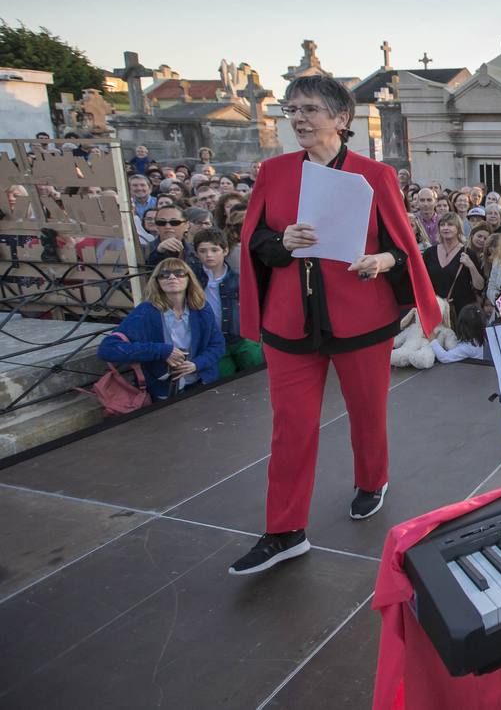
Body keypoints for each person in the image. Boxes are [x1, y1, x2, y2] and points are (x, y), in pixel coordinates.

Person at [229, 75, 440, 576]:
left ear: (341, 119)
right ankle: (284, 531)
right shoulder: (274, 172)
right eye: (292, 109)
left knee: (367, 413)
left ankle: (372, 481)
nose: (299, 118)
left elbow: (401, 247)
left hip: (360, 318)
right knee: (291, 427)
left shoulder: (375, 175)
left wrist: (381, 262)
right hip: (290, 322)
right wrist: (283, 241)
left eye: (310, 109)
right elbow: (255, 240)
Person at [98, 257, 226, 401]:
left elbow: (218, 345)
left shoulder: (201, 308)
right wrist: (161, 351)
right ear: (157, 282)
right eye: (164, 275)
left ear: (189, 278)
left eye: (179, 273)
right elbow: (107, 349)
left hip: (201, 383)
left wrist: (197, 364)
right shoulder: (146, 312)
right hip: (164, 391)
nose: (172, 277)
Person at [193, 228, 264, 375]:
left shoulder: (239, 278)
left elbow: (255, 306)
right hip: (213, 341)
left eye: (214, 250)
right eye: (203, 251)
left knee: (256, 375)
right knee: (223, 381)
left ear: (225, 251)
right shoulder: (193, 280)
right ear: (196, 253)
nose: (209, 255)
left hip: (243, 337)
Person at [422, 215, 485, 317]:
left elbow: (479, 286)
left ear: (458, 228)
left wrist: (471, 265)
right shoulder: (429, 253)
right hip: (436, 310)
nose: (446, 228)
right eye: (442, 225)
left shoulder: (468, 253)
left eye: (450, 225)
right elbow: (423, 282)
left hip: (461, 312)